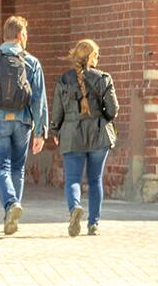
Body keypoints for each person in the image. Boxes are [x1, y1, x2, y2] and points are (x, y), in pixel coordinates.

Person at [0, 15, 48, 235]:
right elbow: (38, 98)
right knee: (17, 168)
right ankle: (12, 213)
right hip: (22, 121)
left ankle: (11, 205)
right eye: (25, 33)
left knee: (1, 167)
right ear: (19, 34)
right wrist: (41, 131)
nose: (27, 37)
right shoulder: (32, 61)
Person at [51, 39, 119, 237]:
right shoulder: (104, 78)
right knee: (95, 179)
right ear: (90, 57)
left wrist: (56, 131)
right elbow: (113, 109)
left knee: (72, 178)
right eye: (97, 54)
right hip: (98, 133)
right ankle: (93, 224)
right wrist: (103, 119)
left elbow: (57, 111)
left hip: (72, 134)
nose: (98, 58)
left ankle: (74, 208)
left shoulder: (64, 80)